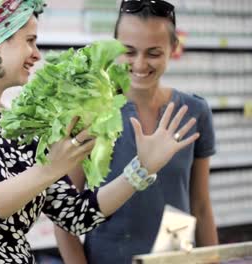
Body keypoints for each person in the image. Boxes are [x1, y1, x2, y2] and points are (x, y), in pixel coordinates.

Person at [0, 0, 199, 263]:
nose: (36, 55)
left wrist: (140, 169)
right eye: (30, 41)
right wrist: (48, 170)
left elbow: (77, 215)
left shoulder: (20, 127)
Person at [54, 0, 218, 263]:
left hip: (175, 256)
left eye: (153, 53)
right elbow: (64, 215)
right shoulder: (90, 113)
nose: (140, 64)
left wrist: (213, 260)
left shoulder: (194, 111)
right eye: (129, 52)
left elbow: (200, 205)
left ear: (173, 48)